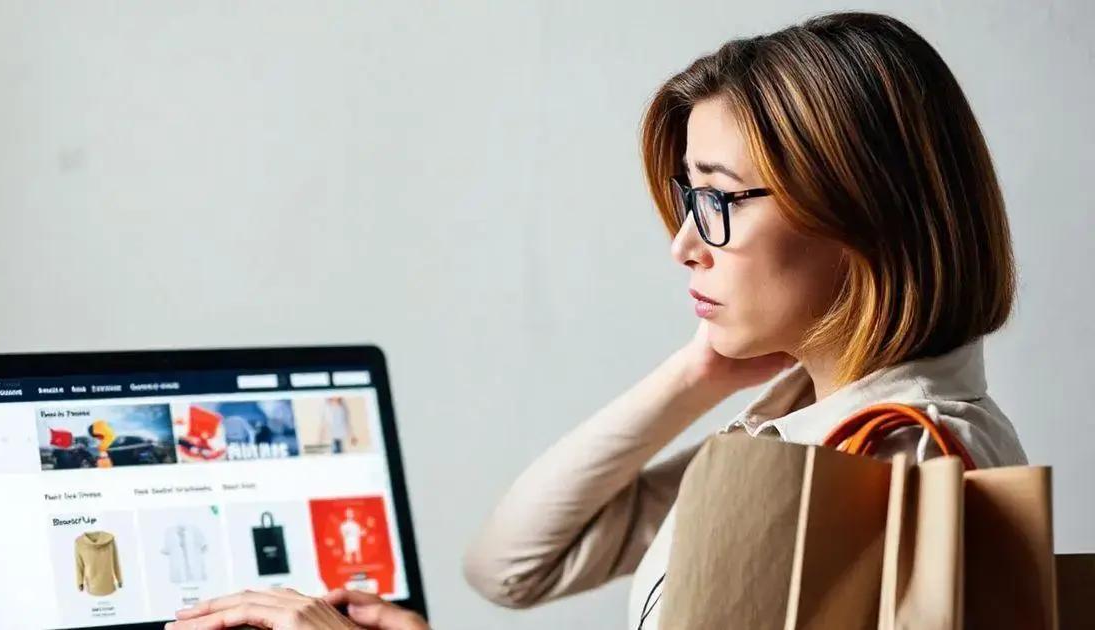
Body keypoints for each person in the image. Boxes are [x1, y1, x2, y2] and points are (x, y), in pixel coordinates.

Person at [167, 11, 1026, 630]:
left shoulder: (883, 456)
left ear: (863, 211)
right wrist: (699, 372)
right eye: (691, 199)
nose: (686, 243)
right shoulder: (805, 428)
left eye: (721, 200)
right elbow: (510, 568)